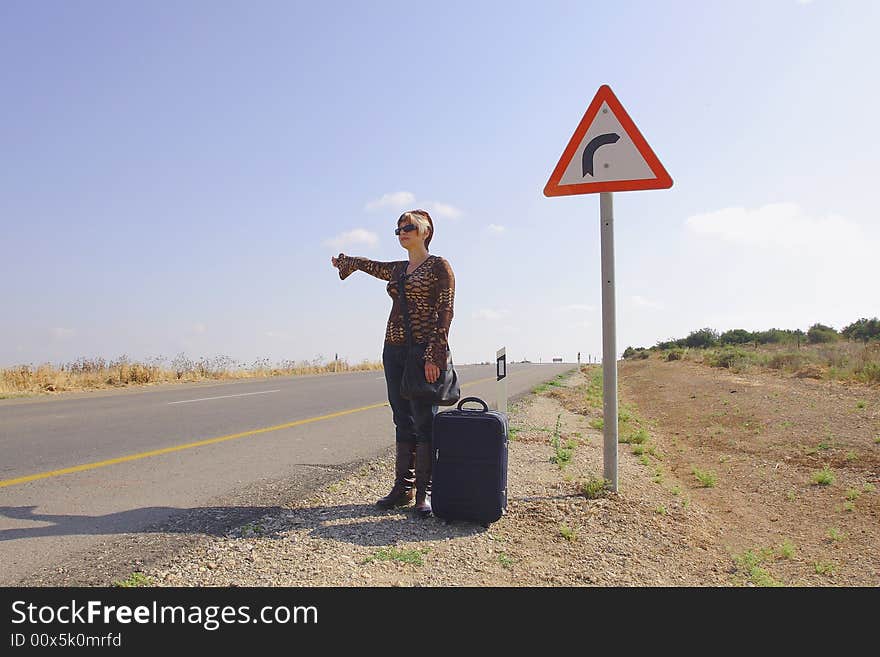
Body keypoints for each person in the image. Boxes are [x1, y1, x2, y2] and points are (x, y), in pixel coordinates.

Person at [330, 209, 455, 518]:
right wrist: (348, 263)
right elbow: (369, 265)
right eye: (398, 229)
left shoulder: (439, 267)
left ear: (426, 231)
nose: (402, 232)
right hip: (393, 350)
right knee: (402, 418)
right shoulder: (399, 269)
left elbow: (445, 311)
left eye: (409, 227)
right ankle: (403, 488)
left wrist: (434, 355)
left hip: (422, 351)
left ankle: (424, 495)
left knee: (424, 419)